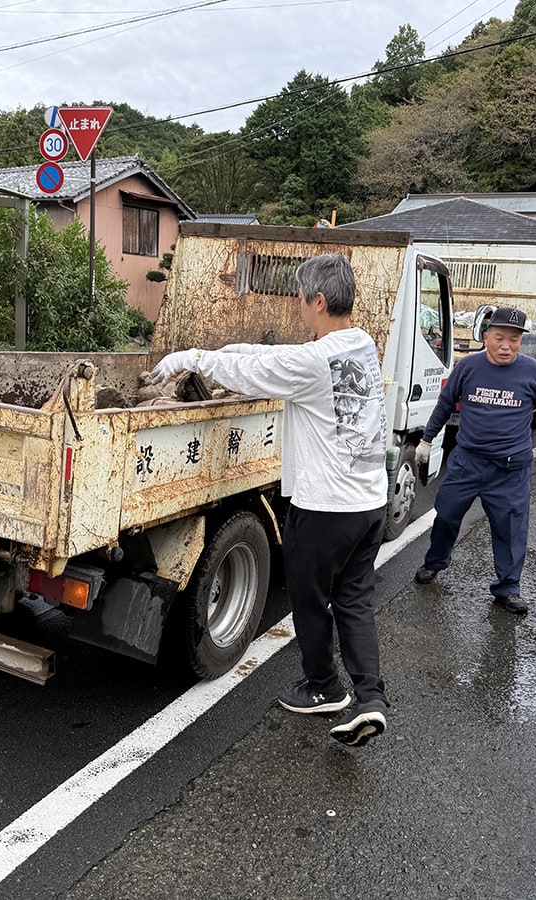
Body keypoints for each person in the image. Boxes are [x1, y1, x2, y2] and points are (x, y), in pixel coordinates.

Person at [151, 253, 390, 747]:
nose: (297, 306)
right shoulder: (359, 344)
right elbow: (272, 357)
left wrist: (192, 359)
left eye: (300, 297)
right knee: (354, 602)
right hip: (370, 502)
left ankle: (325, 688)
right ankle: (370, 698)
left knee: (309, 600)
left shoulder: (311, 362)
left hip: (327, 507)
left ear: (318, 300)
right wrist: (220, 348)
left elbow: (258, 373)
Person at [412, 306, 536, 615]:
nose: (506, 346)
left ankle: (508, 587)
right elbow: (445, 405)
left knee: (511, 529)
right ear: (486, 337)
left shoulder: (533, 370)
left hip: (510, 469)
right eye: (499, 338)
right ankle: (435, 562)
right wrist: (427, 441)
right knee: (445, 515)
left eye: (514, 339)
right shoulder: (468, 366)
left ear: (521, 341)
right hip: (467, 462)